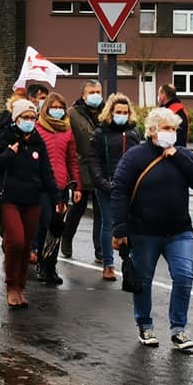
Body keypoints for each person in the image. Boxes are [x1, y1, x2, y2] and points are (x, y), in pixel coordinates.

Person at [111, 107, 193, 350]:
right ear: (152, 130)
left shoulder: (182, 154)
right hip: (145, 231)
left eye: (175, 129)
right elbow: (120, 190)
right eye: (167, 128)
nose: (172, 133)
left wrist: (176, 155)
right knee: (144, 280)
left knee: (184, 276)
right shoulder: (135, 156)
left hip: (179, 230)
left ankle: (179, 329)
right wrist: (120, 228)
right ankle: (145, 325)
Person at [0, 99, 59, 309]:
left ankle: (21, 286)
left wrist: (57, 199)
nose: (29, 121)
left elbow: (47, 173)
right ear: (16, 118)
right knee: (15, 241)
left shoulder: (38, 141)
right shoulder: (3, 138)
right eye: (24, 118)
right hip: (8, 199)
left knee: (26, 246)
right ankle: (11, 286)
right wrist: (9, 154)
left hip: (32, 199)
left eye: (32, 118)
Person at [88, 93, 141, 282]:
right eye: (118, 111)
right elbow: (93, 161)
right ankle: (108, 264)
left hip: (130, 187)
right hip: (107, 186)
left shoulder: (134, 133)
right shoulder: (100, 133)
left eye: (125, 112)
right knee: (109, 223)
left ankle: (132, 263)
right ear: (110, 112)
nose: (122, 115)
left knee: (132, 224)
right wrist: (102, 182)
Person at [34, 91, 82, 286]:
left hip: (61, 186)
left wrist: (76, 184)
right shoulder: (37, 129)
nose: (57, 111)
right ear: (46, 109)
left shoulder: (67, 131)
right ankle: (42, 263)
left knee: (56, 227)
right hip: (42, 186)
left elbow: (72, 160)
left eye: (60, 108)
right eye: (53, 107)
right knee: (45, 224)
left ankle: (51, 266)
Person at [62, 79, 105, 261]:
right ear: (83, 95)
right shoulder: (72, 113)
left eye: (98, 91)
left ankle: (100, 250)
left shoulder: (106, 112)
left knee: (100, 212)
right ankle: (66, 238)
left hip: (102, 169)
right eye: (92, 92)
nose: (96, 95)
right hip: (81, 168)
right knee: (77, 209)